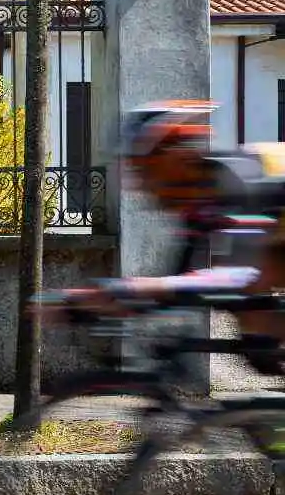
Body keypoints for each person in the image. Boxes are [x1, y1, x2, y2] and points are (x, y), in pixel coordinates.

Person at [41, 99, 285, 372]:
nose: (140, 185)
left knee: (258, 319)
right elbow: (182, 283)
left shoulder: (236, 184)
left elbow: (242, 276)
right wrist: (99, 303)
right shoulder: (202, 205)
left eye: (144, 170)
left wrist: (127, 290)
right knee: (257, 335)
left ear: (176, 158)